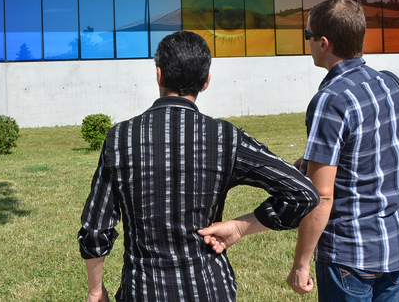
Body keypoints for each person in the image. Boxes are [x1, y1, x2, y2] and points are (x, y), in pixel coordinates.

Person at [78, 30, 319, 302]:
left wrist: (96, 290)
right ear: (206, 82)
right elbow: (303, 193)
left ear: (159, 75)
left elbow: (96, 229)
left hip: (143, 290)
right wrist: (242, 226)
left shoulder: (120, 138)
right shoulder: (225, 137)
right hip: (209, 288)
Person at [287, 0, 399, 301]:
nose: (308, 43)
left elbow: (323, 195)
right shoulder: (389, 84)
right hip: (396, 245)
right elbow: (377, 152)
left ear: (324, 43)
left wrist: (301, 263)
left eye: (308, 36)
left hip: (349, 256)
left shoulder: (331, 100)